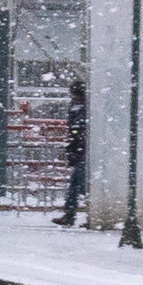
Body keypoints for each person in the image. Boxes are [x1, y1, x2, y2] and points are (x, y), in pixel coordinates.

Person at [54, 77, 88, 226]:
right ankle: (72, 214)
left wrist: (72, 147)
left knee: (77, 184)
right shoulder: (83, 107)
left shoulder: (77, 108)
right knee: (79, 184)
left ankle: (70, 214)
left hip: (81, 150)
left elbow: (75, 130)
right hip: (83, 150)